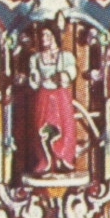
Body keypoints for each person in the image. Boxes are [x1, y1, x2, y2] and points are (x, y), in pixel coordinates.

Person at [23, 20, 84, 179]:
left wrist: (64, 75)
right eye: (42, 35)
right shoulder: (36, 58)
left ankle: (63, 159)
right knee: (42, 127)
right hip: (44, 95)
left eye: (47, 35)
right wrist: (34, 77)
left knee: (65, 125)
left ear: (55, 36)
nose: (44, 38)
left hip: (60, 96)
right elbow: (34, 78)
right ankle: (45, 161)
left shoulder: (65, 57)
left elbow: (71, 71)